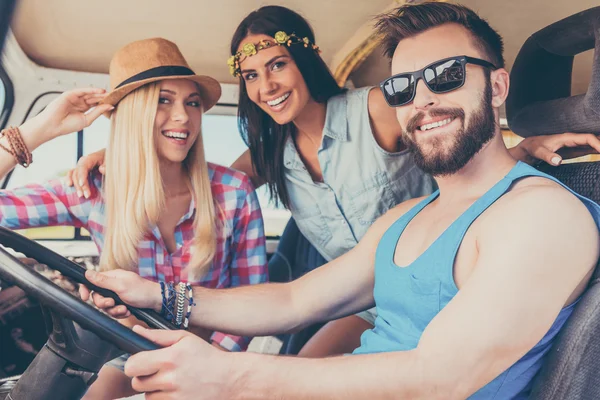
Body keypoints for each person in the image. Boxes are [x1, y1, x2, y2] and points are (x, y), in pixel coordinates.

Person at [81, 2, 600, 399]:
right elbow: (294, 301)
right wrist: (157, 295)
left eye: (446, 76)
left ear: (498, 86)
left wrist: (229, 375)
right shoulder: (405, 218)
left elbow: (438, 378)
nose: (421, 100)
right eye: (402, 88)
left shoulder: (539, 215)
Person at [0, 38, 267, 399]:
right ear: (133, 113)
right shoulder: (91, 191)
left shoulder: (233, 191)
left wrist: (214, 366)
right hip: (126, 351)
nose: (183, 116)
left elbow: (254, 297)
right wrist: (41, 129)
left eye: (192, 102)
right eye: (163, 100)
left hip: (211, 354)